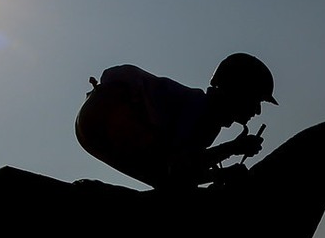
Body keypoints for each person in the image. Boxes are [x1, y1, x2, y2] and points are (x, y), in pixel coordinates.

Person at [74, 53, 277, 190]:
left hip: (98, 111)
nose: (257, 111)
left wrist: (221, 173)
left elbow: (184, 172)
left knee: (171, 183)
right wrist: (232, 150)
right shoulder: (204, 114)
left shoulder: (202, 110)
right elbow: (180, 169)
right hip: (108, 109)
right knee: (172, 185)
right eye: (257, 100)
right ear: (240, 93)